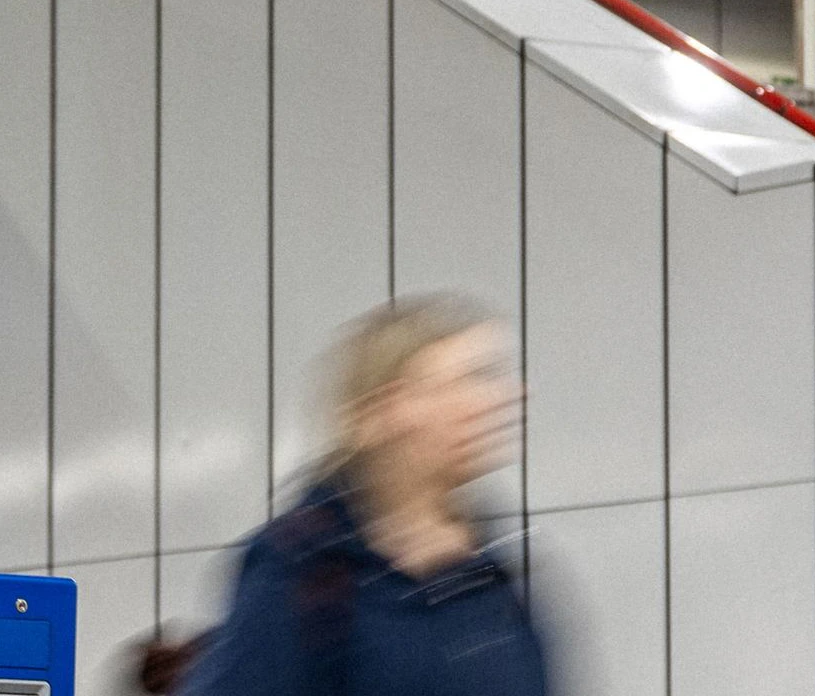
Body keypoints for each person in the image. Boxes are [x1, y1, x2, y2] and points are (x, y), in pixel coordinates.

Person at [182, 296, 546, 696]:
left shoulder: (496, 575)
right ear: (388, 409)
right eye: (474, 377)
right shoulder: (304, 570)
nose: (511, 394)